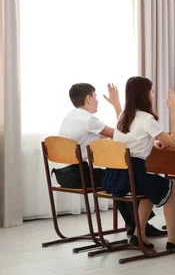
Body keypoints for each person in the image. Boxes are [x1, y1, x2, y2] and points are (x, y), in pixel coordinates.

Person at [56, 83, 165, 238]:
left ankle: (133, 225)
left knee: (117, 178)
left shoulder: (72, 116)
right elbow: (122, 133)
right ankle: (141, 227)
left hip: (62, 175)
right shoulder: (89, 120)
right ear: (88, 98)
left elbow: (112, 135)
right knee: (121, 179)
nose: (97, 101)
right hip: (77, 174)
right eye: (95, 97)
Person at [102, 76, 175, 250]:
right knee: (171, 186)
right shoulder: (147, 119)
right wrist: (174, 111)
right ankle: (172, 239)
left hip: (114, 177)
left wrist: (152, 142)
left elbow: (131, 141)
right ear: (144, 95)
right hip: (133, 178)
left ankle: (139, 233)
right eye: (151, 91)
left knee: (151, 186)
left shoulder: (122, 117)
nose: (153, 95)